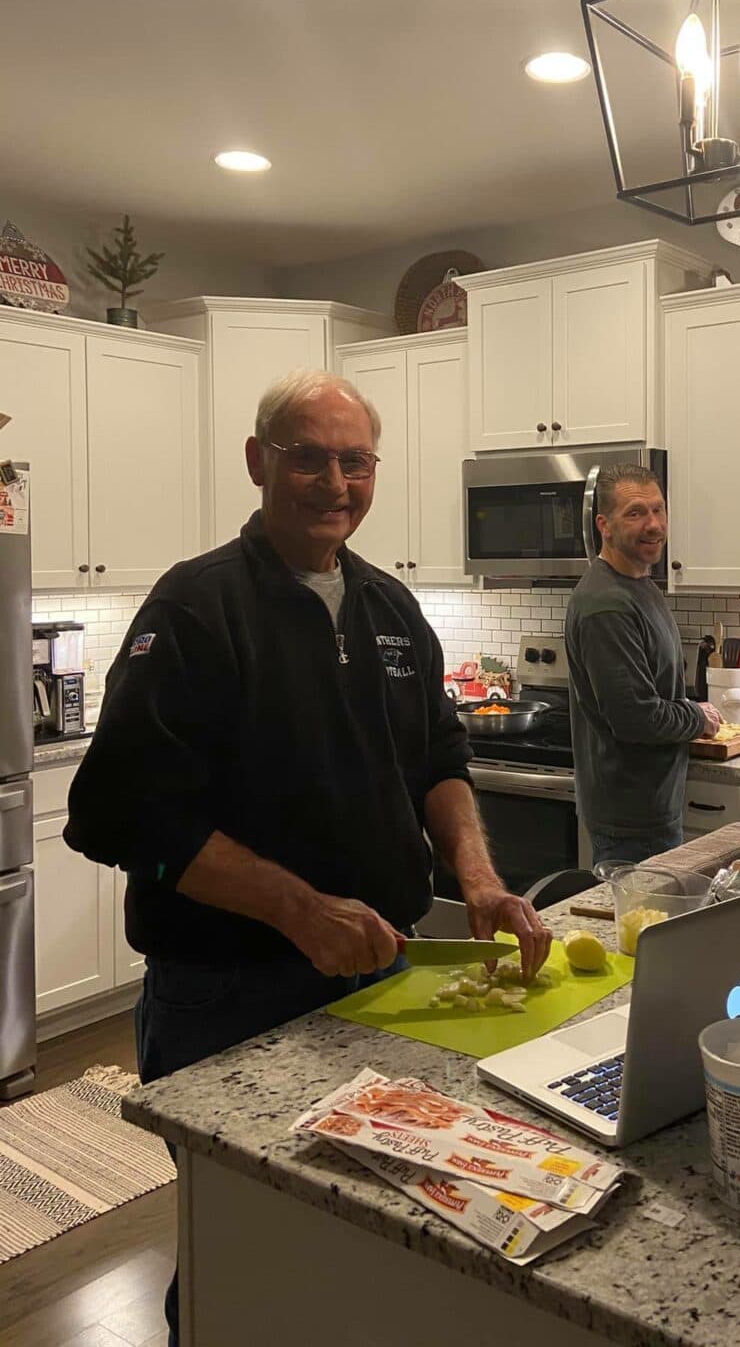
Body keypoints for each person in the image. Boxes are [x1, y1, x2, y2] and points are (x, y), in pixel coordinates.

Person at [65, 368, 550, 1345]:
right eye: (310, 458)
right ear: (259, 463)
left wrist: (481, 881)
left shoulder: (389, 608)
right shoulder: (195, 608)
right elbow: (121, 812)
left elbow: (439, 760)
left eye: (356, 460)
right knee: (242, 1237)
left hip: (381, 978)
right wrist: (297, 909)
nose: (336, 482)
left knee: (365, 1230)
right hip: (229, 991)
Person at [564, 464, 721, 867]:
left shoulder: (638, 584)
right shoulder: (606, 605)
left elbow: (654, 689)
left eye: (658, 510)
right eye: (635, 513)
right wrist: (695, 716)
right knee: (643, 929)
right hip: (629, 823)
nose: (653, 524)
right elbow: (635, 717)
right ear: (605, 525)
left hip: (648, 810)